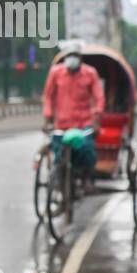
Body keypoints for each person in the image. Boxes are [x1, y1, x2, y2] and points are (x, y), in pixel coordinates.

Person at [41, 41, 104, 176]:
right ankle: (60, 179)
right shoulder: (55, 73)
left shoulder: (90, 73)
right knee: (58, 153)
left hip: (83, 124)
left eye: (75, 55)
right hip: (61, 124)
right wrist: (47, 119)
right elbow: (48, 97)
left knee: (87, 151)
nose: (72, 58)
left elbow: (99, 98)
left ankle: (86, 178)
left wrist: (97, 118)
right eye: (69, 55)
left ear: (80, 58)